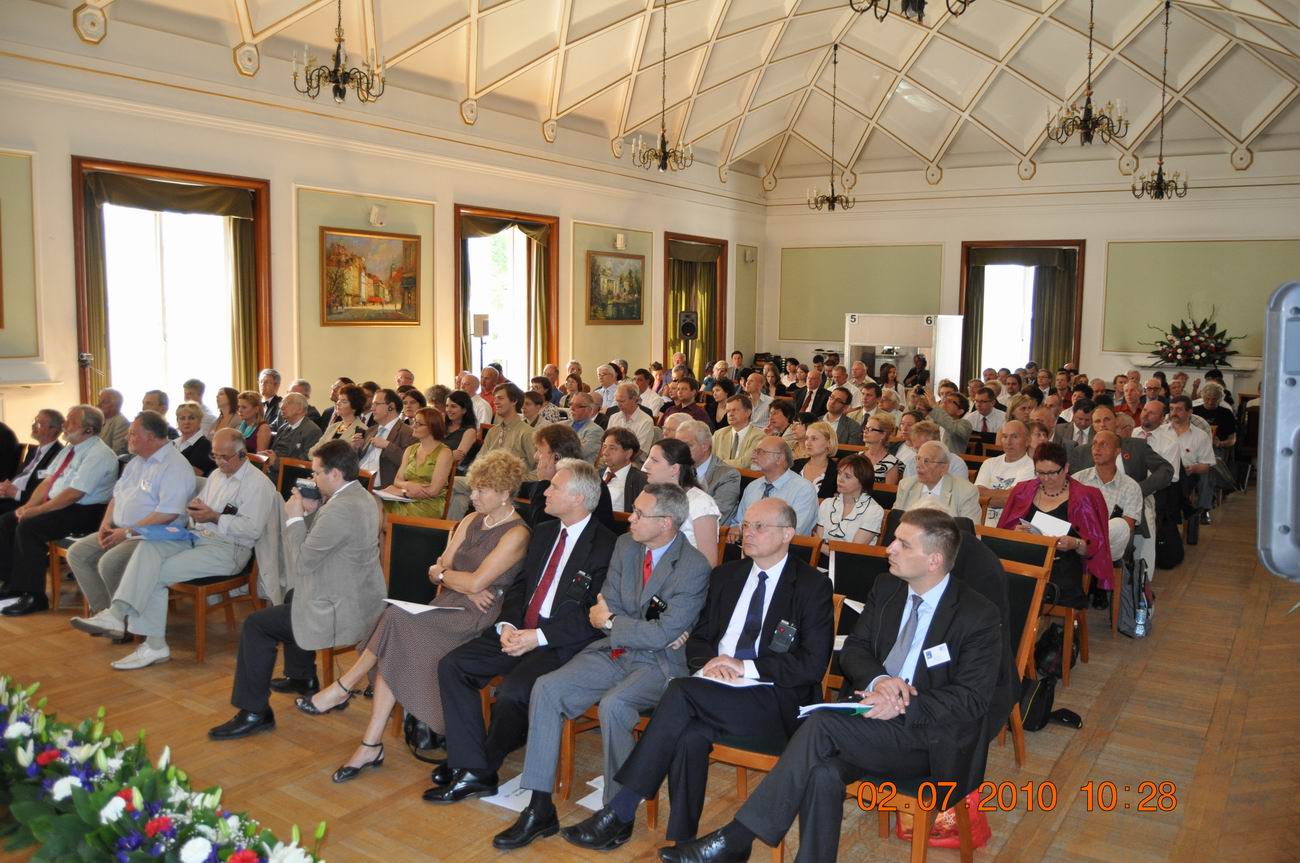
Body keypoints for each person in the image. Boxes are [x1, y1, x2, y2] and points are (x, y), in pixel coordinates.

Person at [660, 508, 1001, 863]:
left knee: (820, 725)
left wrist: (903, 702)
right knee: (823, 773)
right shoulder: (888, 587)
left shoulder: (977, 614)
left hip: (926, 736)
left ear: (934, 560)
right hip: (866, 718)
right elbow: (855, 649)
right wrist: (882, 681)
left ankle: (736, 838)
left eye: (903, 543)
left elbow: (972, 699)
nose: (889, 548)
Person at [564, 498, 833, 850]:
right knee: (690, 735)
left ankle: (621, 809)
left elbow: (812, 664)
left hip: (774, 696)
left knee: (680, 692)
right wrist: (711, 664)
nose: (748, 533)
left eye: (759, 527)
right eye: (746, 525)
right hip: (716, 687)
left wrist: (744, 666)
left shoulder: (811, 585)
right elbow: (700, 638)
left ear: (787, 534)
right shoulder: (726, 576)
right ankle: (682, 842)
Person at [489, 484, 710, 851]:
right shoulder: (626, 545)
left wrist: (615, 622)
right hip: (612, 650)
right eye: (634, 509)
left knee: (615, 705)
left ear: (666, 523)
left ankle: (617, 814)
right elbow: (606, 609)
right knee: (547, 687)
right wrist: (622, 624)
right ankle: (539, 807)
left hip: (658, 665)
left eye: (640, 514)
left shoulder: (693, 566)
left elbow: (658, 634)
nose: (630, 518)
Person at [297, 451, 529, 782]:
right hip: (450, 603)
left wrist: (457, 579)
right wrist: (458, 581)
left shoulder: (517, 533)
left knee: (396, 621)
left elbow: (473, 582)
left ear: (505, 492)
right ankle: (369, 740)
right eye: (473, 488)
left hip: (479, 617)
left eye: (482, 490)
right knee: (396, 630)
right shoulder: (470, 521)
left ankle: (347, 690)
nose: (473, 496)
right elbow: (437, 569)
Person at [428, 459, 618, 803]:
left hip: (560, 642)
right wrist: (509, 625)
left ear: (578, 498)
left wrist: (538, 637)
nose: (545, 492)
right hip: (520, 628)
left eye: (555, 487)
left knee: (514, 692)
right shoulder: (544, 531)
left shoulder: (607, 546)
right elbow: (521, 587)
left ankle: (480, 770)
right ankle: (469, 761)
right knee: (453, 665)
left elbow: (591, 616)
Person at [209, 440, 387, 740]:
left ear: (335, 474)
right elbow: (326, 540)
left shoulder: (341, 509)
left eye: (316, 473)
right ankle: (302, 677)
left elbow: (303, 562)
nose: (313, 479)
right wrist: (311, 511)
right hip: (360, 597)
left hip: (342, 610)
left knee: (256, 626)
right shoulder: (361, 496)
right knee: (293, 596)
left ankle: (254, 712)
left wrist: (292, 517)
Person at [69, 429, 280, 669]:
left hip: (228, 549)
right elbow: (201, 511)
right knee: (149, 546)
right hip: (197, 537)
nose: (219, 462)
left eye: (225, 457)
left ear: (242, 454)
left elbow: (252, 529)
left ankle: (153, 644)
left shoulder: (258, 484)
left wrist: (213, 516)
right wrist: (194, 511)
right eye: (215, 456)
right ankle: (117, 615)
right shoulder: (216, 476)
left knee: (155, 573)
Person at [65, 411, 195, 619]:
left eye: (133, 433)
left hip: (154, 535)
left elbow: (167, 514)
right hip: (123, 530)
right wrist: (106, 524)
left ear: (150, 437)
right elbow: (116, 496)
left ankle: (123, 619)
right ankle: (105, 612)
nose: (128, 438)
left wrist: (127, 532)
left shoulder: (174, 466)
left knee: (110, 563)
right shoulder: (137, 462)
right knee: (78, 553)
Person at [0, 406, 118, 616]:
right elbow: (47, 482)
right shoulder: (69, 449)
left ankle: (35, 596)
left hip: (86, 512)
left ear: (89, 429)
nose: (65, 425)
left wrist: (37, 511)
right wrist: (28, 506)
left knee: (29, 527)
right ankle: (13, 585)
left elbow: (73, 494)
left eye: (71, 421)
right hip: (62, 505)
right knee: (8, 521)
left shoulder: (99, 454)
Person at [998, 441, 1111, 608]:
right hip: (1026, 558)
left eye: (1052, 473)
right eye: (1040, 473)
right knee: (1001, 583)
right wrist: (1015, 534)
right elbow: (1003, 534)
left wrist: (1075, 543)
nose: (1046, 478)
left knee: (1031, 590)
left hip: (1062, 563)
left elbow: (1096, 548)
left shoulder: (1085, 497)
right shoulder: (1022, 491)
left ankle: (1031, 621)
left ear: (1066, 468)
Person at [642, 439, 721, 567]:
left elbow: (708, 562)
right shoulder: (650, 496)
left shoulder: (700, 503)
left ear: (674, 468)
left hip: (684, 574)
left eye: (654, 461)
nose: (646, 466)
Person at [527, 425, 616, 531]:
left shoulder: (582, 481)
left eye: (539, 451)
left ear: (556, 457)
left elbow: (542, 527)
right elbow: (524, 488)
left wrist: (543, 481)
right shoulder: (567, 477)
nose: (535, 456)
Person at [724, 437, 818, 537]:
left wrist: (750, 532)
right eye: (755, 451)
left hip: (784, 546)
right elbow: (738, 522)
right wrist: (735, 530)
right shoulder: (753, 487)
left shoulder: (804, 490)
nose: (753, 456)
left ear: (779, 458)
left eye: (761, 452)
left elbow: (794, 531)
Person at [1073, 431, 1142, 564]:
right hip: (1077, 536)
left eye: (1103, 444)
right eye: (1094, 444)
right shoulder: (1078, 479)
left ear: (1117, 451)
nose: (1097, 449)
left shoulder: (1131, 487)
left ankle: (1087, 545)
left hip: (1109, 547)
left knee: (1120, 526)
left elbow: (1127, 527)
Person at [378, 407, 454, 519]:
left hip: (428, 504)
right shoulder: (410, 449)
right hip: (405, 499)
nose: (413, 426)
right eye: (414, 422)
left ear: (432, 427)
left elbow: (433, 490)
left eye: (419, 424)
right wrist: (408, 486)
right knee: (374, 505)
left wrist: (402, 492)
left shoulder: (444, 452)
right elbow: (397, 480)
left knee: (382, 517)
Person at [895, 441, 982, 523]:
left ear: (944, 467)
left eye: (926, 461)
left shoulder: (966, 491)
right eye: (918, 458)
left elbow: (968, 530)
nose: (918, 465)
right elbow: (895, 522)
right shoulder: (906, 485)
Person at [674, 420, 741, 526]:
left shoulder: (728, 475)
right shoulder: (676, 468)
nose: (680, 451)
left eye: (687, 446)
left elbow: (716, 517)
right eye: (678, 446)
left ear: (704, 446)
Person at [0, 410, 65, 516]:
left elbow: (47, 490)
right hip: (10, 495)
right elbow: (22, 476)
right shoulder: (34, 451)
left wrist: (16, 493)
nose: (33, 426)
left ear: (54, 430)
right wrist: (6, 487)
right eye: (34, 421)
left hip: (25, 503)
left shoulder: (59, 455)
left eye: (38, 424)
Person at [974, 420, 1036, 526]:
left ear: (1027, 441)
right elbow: (975, 495)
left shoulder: (1032, 467)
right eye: (1004, 436)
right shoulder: (989, 463)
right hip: (980, 524)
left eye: (1015, 437)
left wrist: (986, 495)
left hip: (1009, 527)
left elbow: (1011, 500)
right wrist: (1004, 495)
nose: (1008, 442)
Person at [815, 453, 884, 547]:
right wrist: (820, 547)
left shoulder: (873, 510)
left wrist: (821, 547)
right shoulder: (827, 504)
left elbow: (853, 550)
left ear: (862, 481)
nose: (840, 479)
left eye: (847, 476)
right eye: (839, 473)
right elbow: (818, 541)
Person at [355, 388, 417, 489]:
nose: (372, 408)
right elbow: (358, 460)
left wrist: (387, 446)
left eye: (376, 404)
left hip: (381, 487)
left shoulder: (408, 433)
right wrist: (357, 447)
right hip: (357, 481)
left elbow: (409, 465)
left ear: (391, 407)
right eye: (372, 404)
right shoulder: (370, 431)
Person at [260, 392, 322, 469]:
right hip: (271, 468)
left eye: (287, 403)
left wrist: (276, 462)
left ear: (300, 409)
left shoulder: (312, 431)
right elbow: (275, 452)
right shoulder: (283, 427)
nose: (281, 407)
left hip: (289, 473)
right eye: (282, 403)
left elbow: (305, 462)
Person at [599, 428, 646, 513]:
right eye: (604, 446)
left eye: (612, 448)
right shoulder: (596, 475)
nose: (605, 452)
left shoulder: (640, 480)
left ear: (628, 453)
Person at [313, 384, 367, 456]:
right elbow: (313, 451)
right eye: (339, 399)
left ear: (354, 407)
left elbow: (352, 456)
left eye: (343, 401)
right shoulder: (333, 426)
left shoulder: (362, 429)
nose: (338, 403)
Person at [712, 394, 763, 470]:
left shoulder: (759, 436)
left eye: (734, 410)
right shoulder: (718, 434)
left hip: (744, 476)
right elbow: (708, 459)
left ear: (748, 412)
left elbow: (745, 463)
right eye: (728, 411)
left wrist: (718, 463)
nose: (730, 414)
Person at [607, 383, 656, 461]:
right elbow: (606, 443)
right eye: (617, 401)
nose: (618, 405)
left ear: (634, 399)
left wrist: (617, 461)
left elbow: (638, 451)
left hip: (634, 461)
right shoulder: (614, 417)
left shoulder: (646, 421)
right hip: (611, 458)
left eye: (622, 401)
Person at [792, 420, 838, 499]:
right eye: (806, 438)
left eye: (814, 439)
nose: (808, 443)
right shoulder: (795, 465)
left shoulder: (837, 472)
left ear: (829, 443)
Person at [443, 390, 482, 473]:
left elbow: (458, 460)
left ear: (464, 410)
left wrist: (435, 455)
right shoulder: (441, 424)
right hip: (434, 467)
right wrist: (450, 455)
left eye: (453, 406)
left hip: (453, 472)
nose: (448, 410)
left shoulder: (469, 431)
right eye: (447, 406)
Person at [173, 401, 214, 477]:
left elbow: (192, 475)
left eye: (191, 418)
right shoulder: (172, 444)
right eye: (182, 418)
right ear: (177, 421)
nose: (186, 422)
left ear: (200, 421)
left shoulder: (205, 445)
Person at [861, 413, 902, 485]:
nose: (865, 431)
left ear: (883, 435)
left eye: (870, 429)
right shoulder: (858, 456)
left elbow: (887, 491)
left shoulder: (891, 464)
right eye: (865, 428)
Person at [566, 392, 604, 463]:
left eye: (578, 406)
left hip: (579, 468)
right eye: (571, 404)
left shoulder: (596, 431)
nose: (572, 408)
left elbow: (578, 453)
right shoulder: (561, 425)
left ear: (589, 410)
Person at [234, 390, 272, 454]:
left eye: (244, 407)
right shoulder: (242, 426)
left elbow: (260, 457)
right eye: (239, 407)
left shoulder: (263, 428)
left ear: (256, 409)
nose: (239, 410)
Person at [97, 388, 129, 455]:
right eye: (99, 401)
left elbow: (117, 452)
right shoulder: (98, 420)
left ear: (116, 405)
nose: (98, 405)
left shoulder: (121, 422)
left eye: (104, 402)